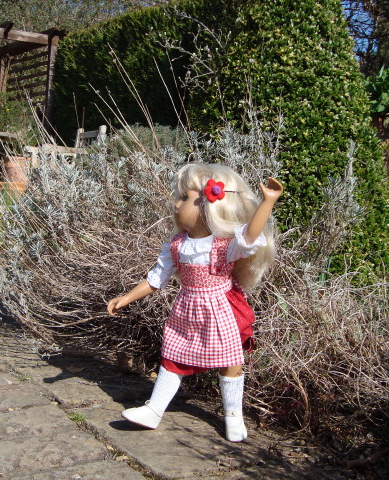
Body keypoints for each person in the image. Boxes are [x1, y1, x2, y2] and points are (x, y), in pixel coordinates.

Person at [107, 163, 283, 442]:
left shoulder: (224, 244)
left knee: (230, 361)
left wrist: (267, 202)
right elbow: (156, 278)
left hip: (221, 308)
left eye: (184, 198)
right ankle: (154, 409)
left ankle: (233, 416)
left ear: (208, 205)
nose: (176, 204)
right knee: (172, 356)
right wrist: (127, 297)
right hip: (186, 309)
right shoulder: (177, 244)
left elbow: (250, 235)